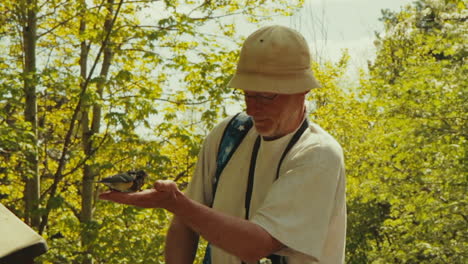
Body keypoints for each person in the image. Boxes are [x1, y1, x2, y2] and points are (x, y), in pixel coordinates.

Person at [99, 25, 346, 264]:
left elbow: (255, 246)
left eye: (266, 96)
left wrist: (175, 202)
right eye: (248, 94)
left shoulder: (318, 155)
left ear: (302, 90)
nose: (251, 108)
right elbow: (184, 225)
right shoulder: (228, 136)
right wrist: (178, 206)